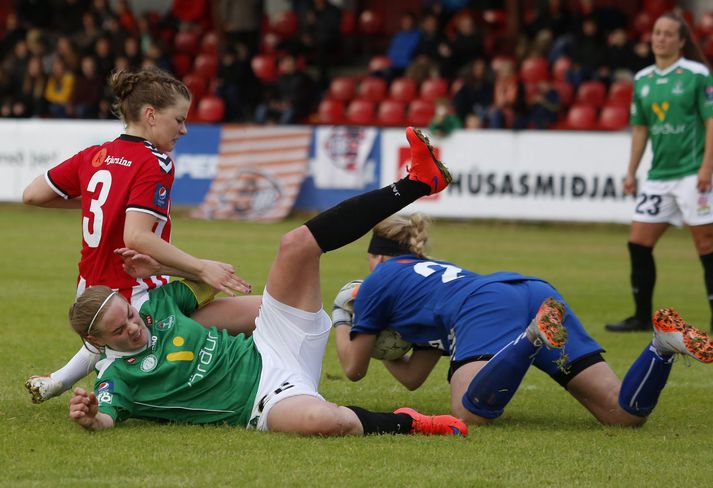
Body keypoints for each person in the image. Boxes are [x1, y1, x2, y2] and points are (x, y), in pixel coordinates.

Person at [68, 127, 468, 437]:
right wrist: (89, 417)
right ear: (100, 343)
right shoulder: (115, 378)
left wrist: (161, 270)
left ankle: (417, 182)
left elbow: (206, 286)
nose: (134, 326)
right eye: (120, 330)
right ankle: (410, 423)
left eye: (129, 315)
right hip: (263, 399)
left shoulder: (154, 306)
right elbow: (106, 417)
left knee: (295, 244)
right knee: (325, 422)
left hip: (270, 340)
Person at [332, 213, 713, 426]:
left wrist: (341, 314)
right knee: (622, 415)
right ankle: (661, 346)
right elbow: (414, 378)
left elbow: (352, 368)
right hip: (529, 291)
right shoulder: (428, 280)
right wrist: (391, 351)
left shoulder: (377, 281)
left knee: (468, 413)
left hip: (485, 307)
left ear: (377, 258)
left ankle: (530, 340)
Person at [22, 67, 255, 404]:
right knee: (240, 304)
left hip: (90, 294)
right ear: (150, 115)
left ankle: (59, 380)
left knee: (228, 302)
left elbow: (32, 194)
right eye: (178, 119)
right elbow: (138, 238)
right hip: (132, 293)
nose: (184, 129)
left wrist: (103, 201)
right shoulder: (155, 162)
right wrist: (201, 267)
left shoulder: (95, 155)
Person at [605, 12, 713, 332]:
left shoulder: (697, 74)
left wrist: (707, 167)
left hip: (693, 173)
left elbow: (711, 122)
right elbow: (640, 130)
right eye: (656, 32)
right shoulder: (643, 79)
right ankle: (641, 317)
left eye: (668, 34)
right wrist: (630, 171)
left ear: (681, 41)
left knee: (706, 245)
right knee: (638, 243)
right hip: (659, 177)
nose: (660, 38)